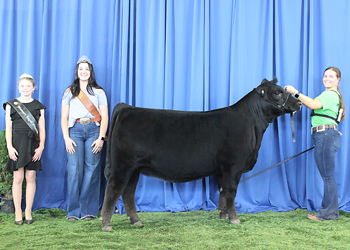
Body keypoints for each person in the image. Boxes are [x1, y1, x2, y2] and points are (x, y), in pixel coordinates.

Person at [284, 66, 346, 221]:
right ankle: (327, 212)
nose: (327, 78)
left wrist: (295, 92)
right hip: (326, 136)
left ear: (338, 80)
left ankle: (328, 214)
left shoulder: (330, 94)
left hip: (325, 135)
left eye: (331, 76)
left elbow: (312, 104)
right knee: (327, 176)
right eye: (325, 76)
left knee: (327, 177)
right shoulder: (333, 95)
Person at [61, 56, 108, 221]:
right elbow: (64, 118)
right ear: (77, 72)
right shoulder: (69, 92)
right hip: (75, 131)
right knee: (74, 170)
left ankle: (88, 210)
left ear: (91, 72)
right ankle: (73, 211)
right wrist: (66, 138)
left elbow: (105, 117)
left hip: (94, 132)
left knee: (92, 169)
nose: (83, 72)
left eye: (86, 69)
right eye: (81, 69)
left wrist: (101, 138)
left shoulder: (99, 92)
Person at [4, 73, 46, 225]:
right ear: (18, 87)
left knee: (30, 178)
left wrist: (41, 147)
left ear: (33, 88)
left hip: (33, 145)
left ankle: (28, 210)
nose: (25, 88)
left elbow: (42, 129)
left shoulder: (38, 106)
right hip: (17, 145)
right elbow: (8, 128)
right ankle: (17, 211)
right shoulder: (11, 105)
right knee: (18, 178)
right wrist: (9, 147)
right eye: (22, 86)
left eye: (28, 86)